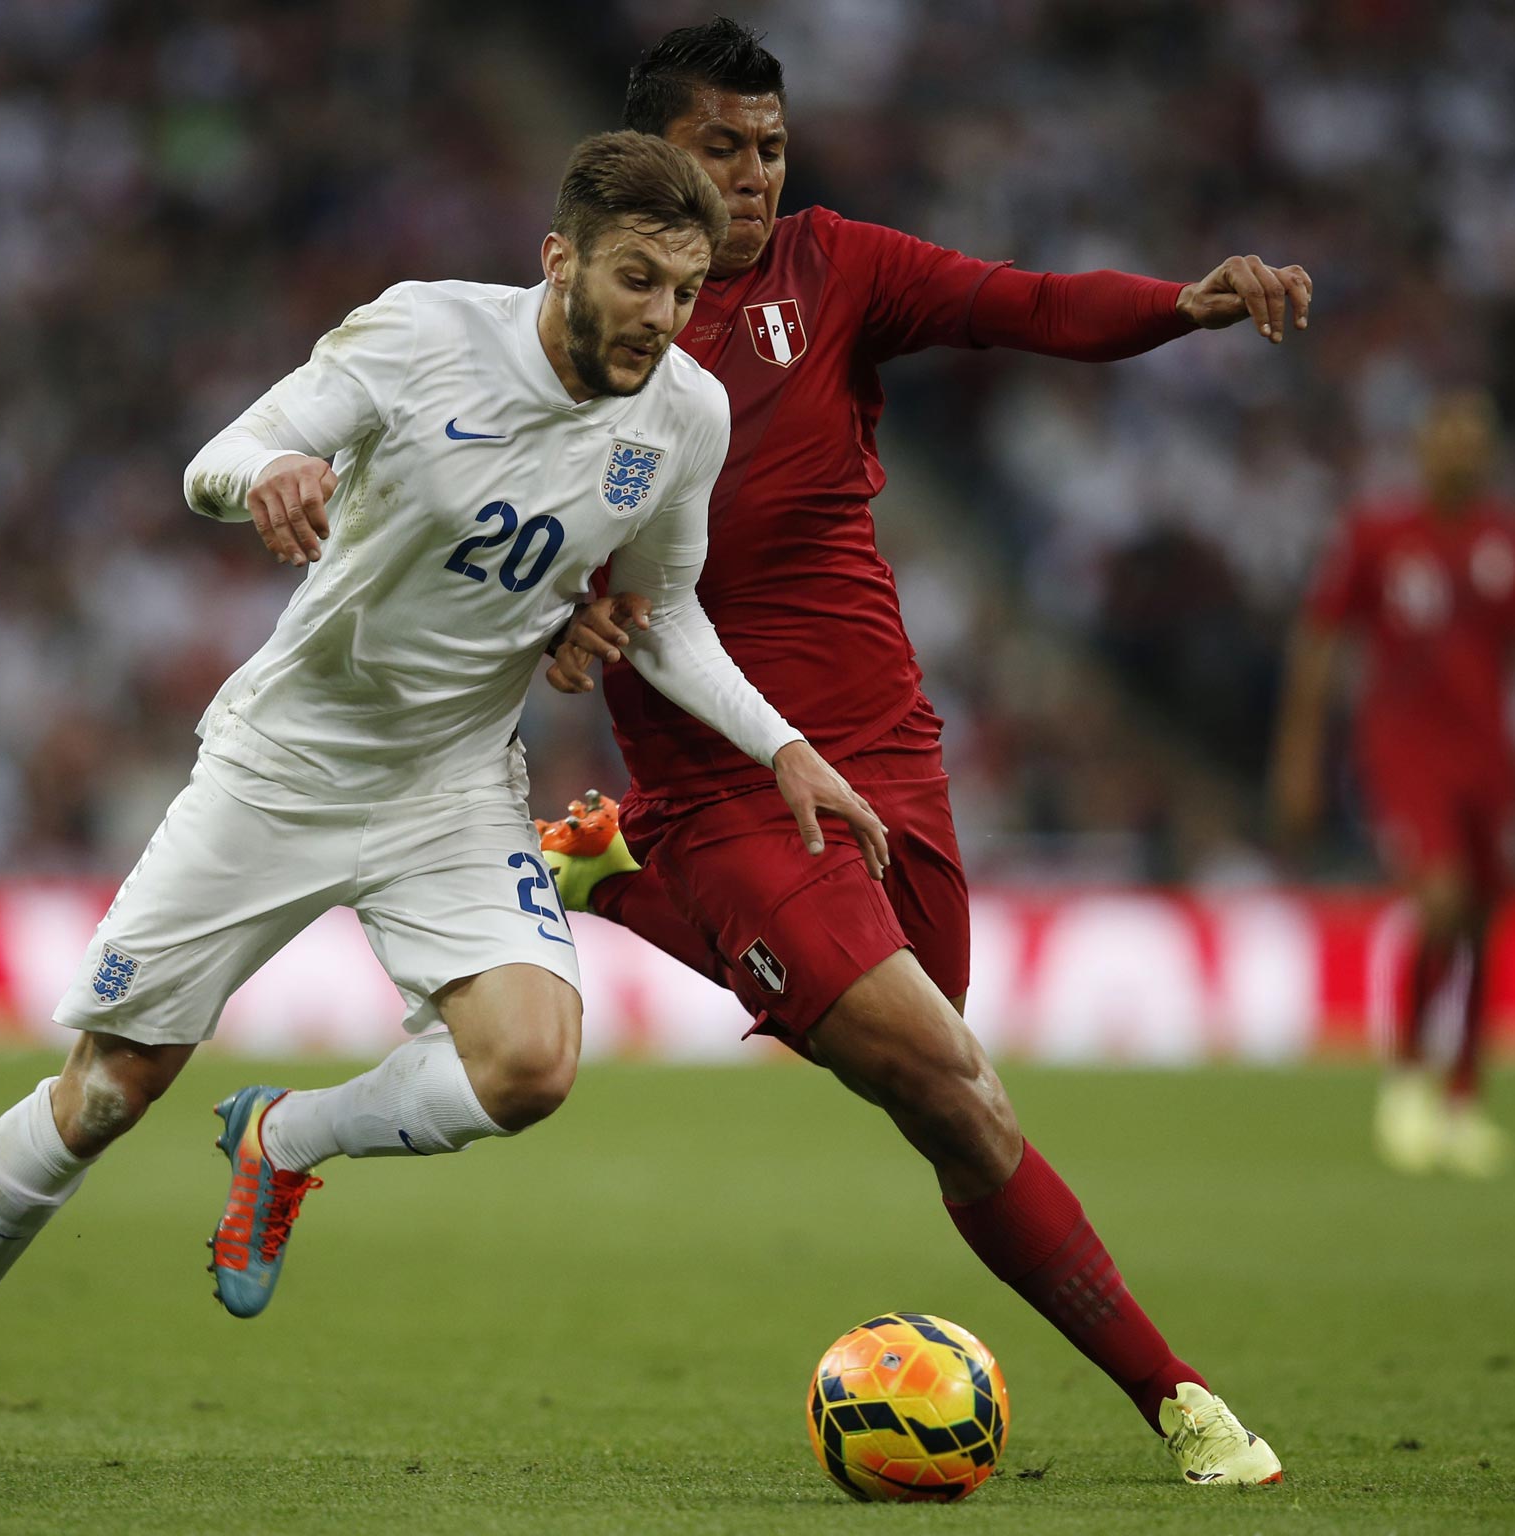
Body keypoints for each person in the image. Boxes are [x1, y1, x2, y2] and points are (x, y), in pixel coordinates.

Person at [0, 129, 887, 1474]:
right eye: (636, 280)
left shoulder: (685, 412)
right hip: (287, 764)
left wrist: (781, 743)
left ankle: (285, 1140)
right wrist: (266, 477)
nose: (661, 320)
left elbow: (664, 608)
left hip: (451, 782)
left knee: (532, 1065)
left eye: (685, 292)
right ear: (558, 257)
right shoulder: (421, 336)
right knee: (109, 1090)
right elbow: (225, 455)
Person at [537, 19, 1308, 1485]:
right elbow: (494, 537)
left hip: (885, 748)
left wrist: (1181, 306)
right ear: (651, 165)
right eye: (723, 149)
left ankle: (618, 883)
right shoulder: (592, 326)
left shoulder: (839, 267)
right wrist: (550, 632)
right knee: (953, 1083)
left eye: (770, 146)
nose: (759, 175)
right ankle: (1186, 1405)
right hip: (724, 777)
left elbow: (1021, 304)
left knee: (940, 1100)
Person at [1271, 389, 1515, 1177]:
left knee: (1484, 922)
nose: (1462, 451)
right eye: (1449, 435)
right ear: (1424, 446)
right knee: (1441, 896)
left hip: (1491, 758)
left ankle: (1463, 1100)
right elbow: (1320, 641)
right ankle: (1409, 1076)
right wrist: (1301, 754)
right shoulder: (1378, 534)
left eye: (1476, 438)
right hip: (1405, 753)